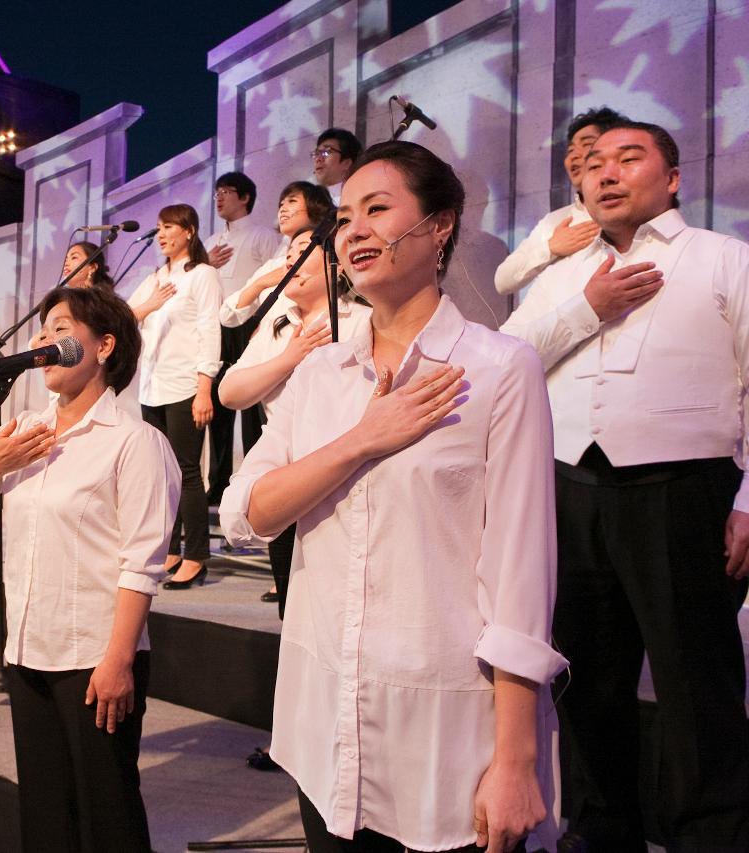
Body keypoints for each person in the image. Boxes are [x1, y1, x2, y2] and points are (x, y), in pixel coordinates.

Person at [222, 140, 566, 853]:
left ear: (440, 226)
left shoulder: (499, 369)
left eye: (377, 209)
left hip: (444, 741)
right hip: (325, 735)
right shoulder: (320, 374)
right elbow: (247, 514)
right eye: (344, 218)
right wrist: (359, 440)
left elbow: (519, 579)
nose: (353, 231)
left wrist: (515, 759)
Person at [500, 121, 749, 852]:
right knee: (585, 678)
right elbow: (507, 361)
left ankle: (716, 835)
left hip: (686, 489)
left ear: (672, 177)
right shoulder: (560, 273)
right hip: (568, 487)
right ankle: (601, 828)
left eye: (629, 158)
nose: (605, 174)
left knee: (696, 685)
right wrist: (588, 308)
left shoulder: (725, 259)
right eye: (593, 165)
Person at [0, 285, 180, 853]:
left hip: (96, 658)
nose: (43, 341)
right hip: (26, 650)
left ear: (105, 345)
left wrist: (118, 663)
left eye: (60, 328)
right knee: (45, 811)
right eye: (41, 330)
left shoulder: (136, 442)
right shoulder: (23, 433)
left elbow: (141, 565)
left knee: (107, 810)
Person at [218, 227, 370, 614]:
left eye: (303, 251)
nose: (290, 260)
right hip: (283, 481)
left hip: (346, 482)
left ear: (336, 265)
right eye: (288, 253)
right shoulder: (277, 323)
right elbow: (231, 392)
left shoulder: (364, 321)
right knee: (294, 608)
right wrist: (291, 356)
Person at [127, 203, 221, 589]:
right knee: (163, 474)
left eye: (169, 227)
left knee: (186, 472)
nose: (162, 234)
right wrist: (148, 306)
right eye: (159, 227)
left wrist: (204, 388)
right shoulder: (154, 278)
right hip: (152, 386)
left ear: (190, 232)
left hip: (185, 385)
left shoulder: (202, 275)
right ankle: (171, 548)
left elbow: (209, 331)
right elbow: (123, 314)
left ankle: (197, 554)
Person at [204, 172, 283, 505]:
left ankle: (253, 480)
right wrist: (205, 264)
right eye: (217, 192)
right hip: (216, 326)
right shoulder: (208, 242)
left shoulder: (265, 236)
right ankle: (218, 484)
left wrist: (261, 322)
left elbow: (276, 281)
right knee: (218, 405)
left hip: (250, 322)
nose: (220, 197)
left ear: (246, 197)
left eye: (227, 191)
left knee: (252, 405)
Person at [494, 107, 627, 295]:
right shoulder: (555, 221)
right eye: (570, 149)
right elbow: (502, 281)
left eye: (587, 144)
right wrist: (551, 248)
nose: (574, 155)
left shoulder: (629, 211)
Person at [218, 181, 334, 331]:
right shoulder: (273, 266)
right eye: (280, 205)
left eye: (292, 201)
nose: (282, 209)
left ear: (315, 207)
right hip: (267, 347)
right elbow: (227, 316)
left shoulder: (328, 258)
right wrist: (261, 283)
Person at [313, 127, 363, 206]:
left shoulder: (360, 198)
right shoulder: (309, 201)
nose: (318, 159)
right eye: (316, 153)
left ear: (347, 163)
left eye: (326, 152)